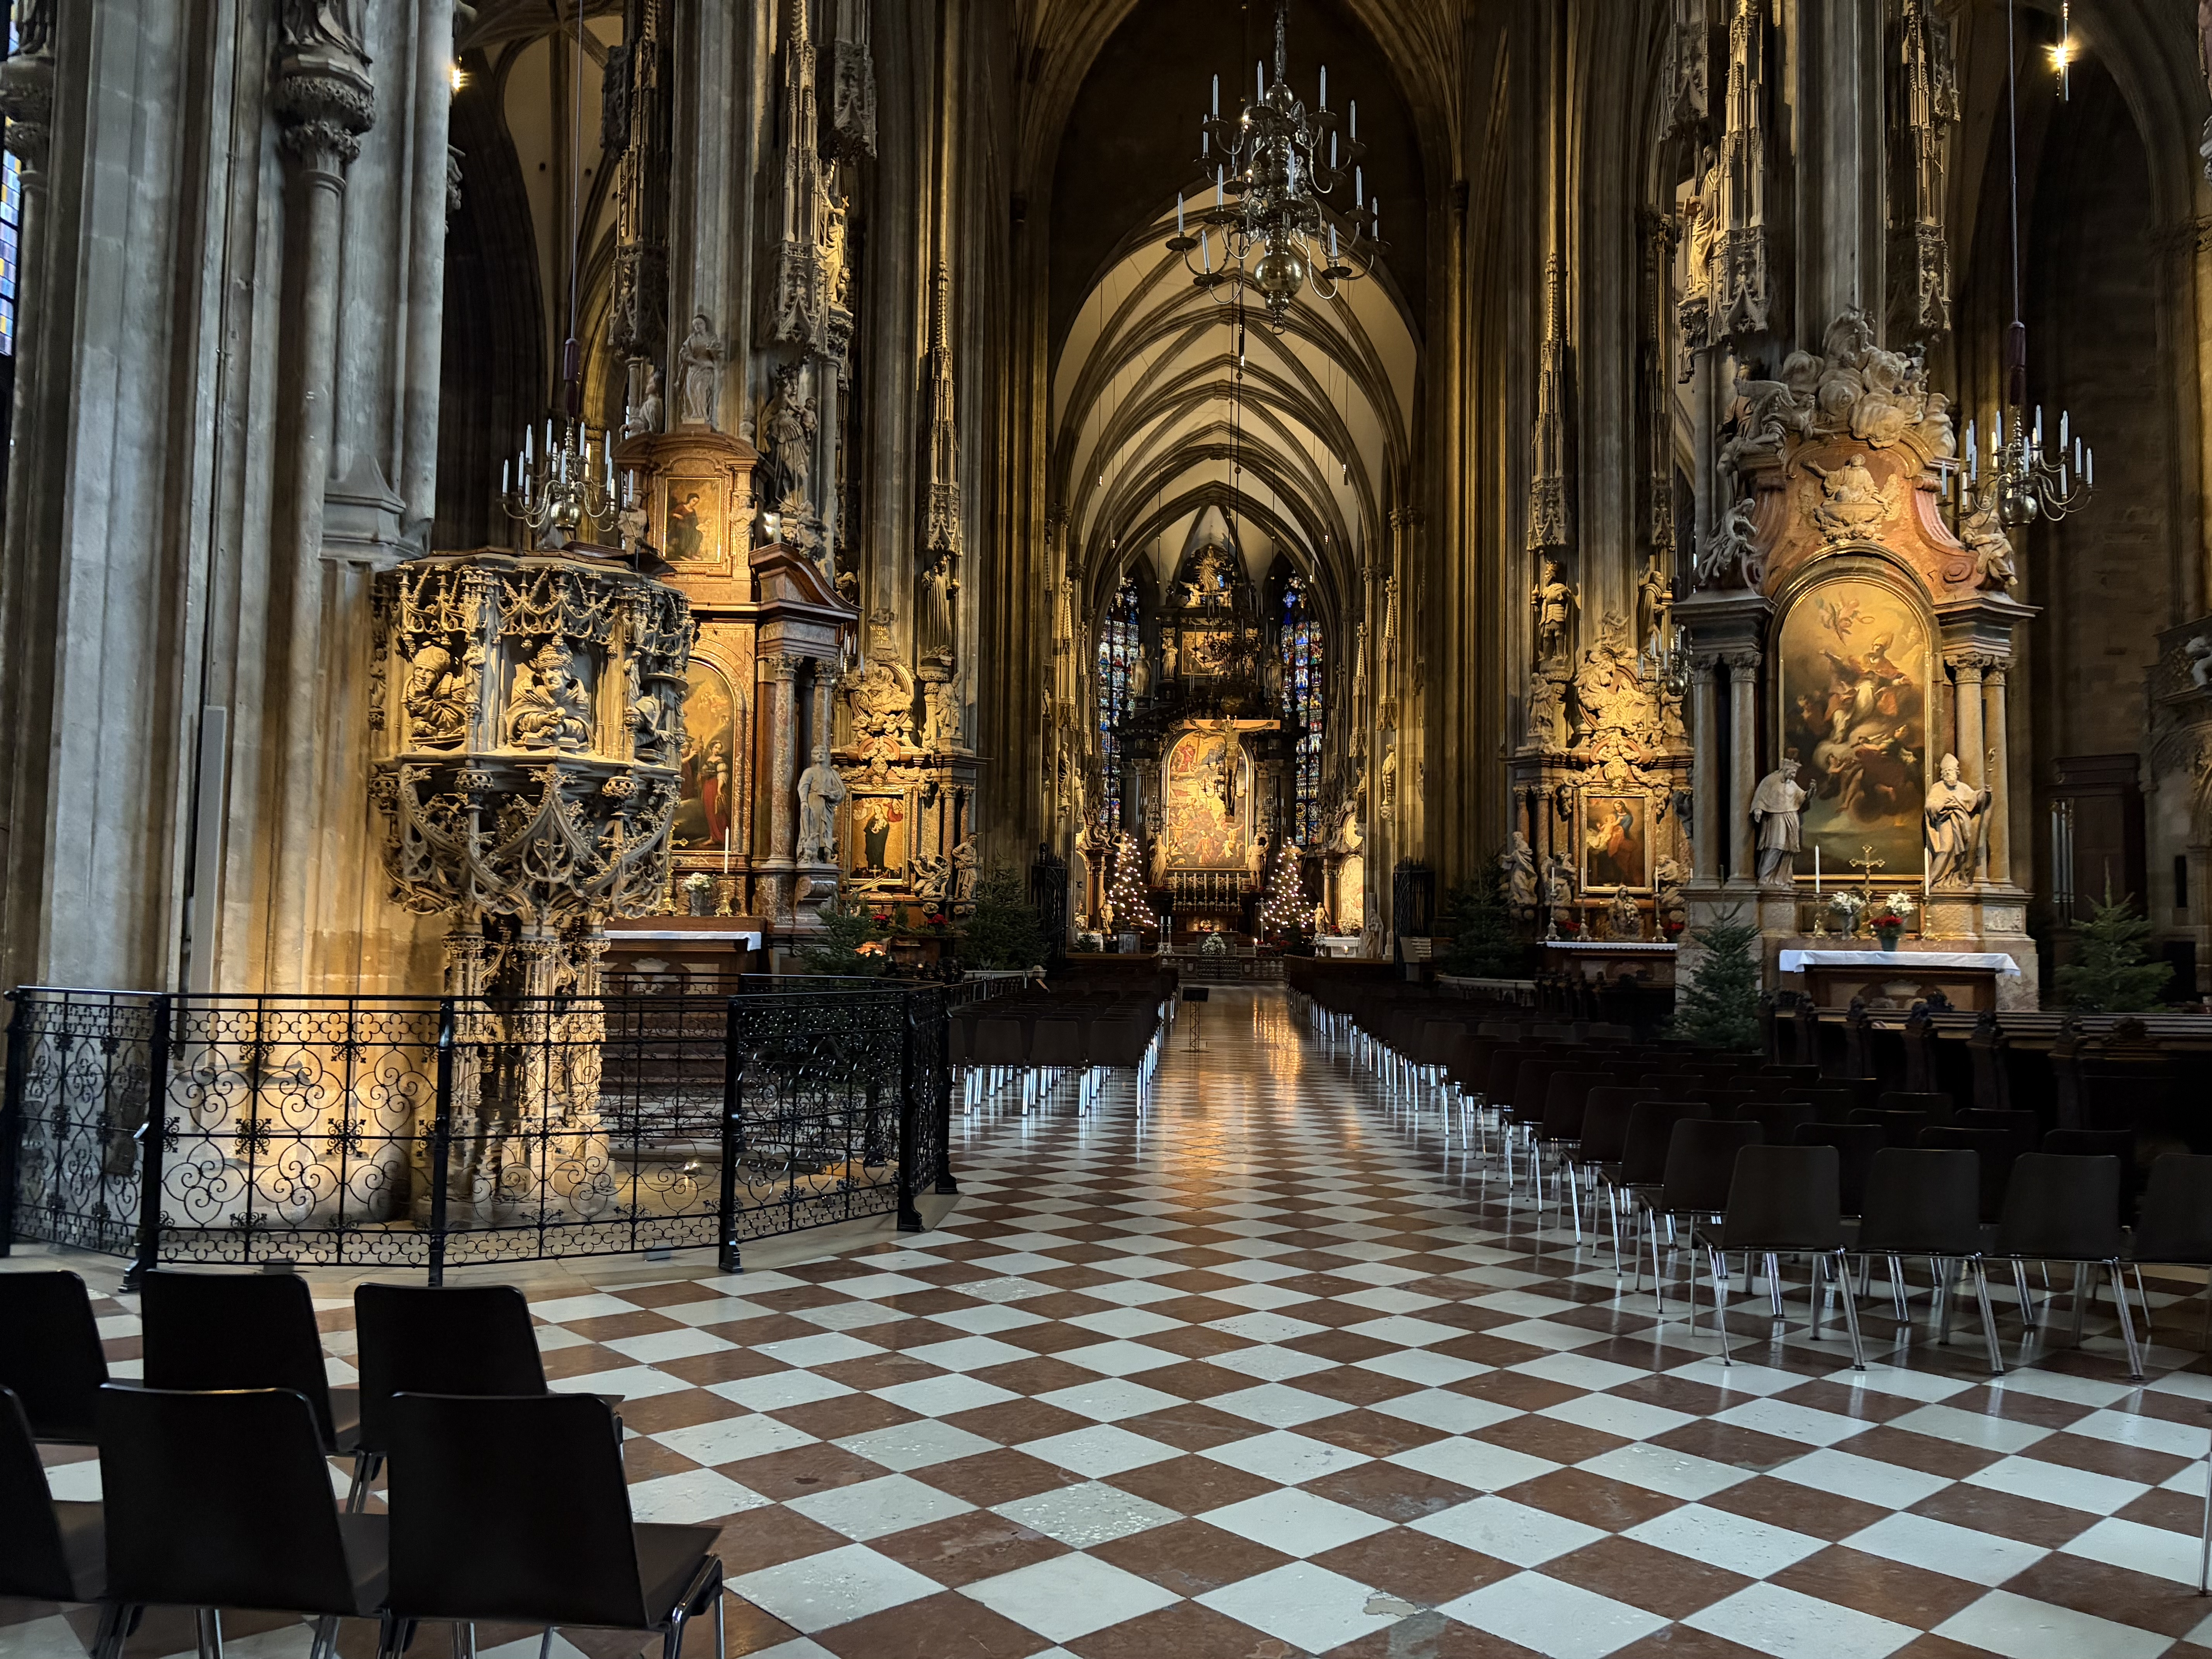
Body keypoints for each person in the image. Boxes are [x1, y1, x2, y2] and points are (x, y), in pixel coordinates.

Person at [1924, 752, 1991, 889]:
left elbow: (1975, 799)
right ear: (1943, 775)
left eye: (1952, 772)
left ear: (1957, 773)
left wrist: (1986, 793)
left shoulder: (1963, 788)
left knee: (1962, 854)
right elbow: (1929, 804)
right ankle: (1932, 879)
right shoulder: (1938, 787)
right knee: (1946, 848)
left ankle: (1956, 876)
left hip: (1962, 824)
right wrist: (1945, 805)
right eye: (1947, 773)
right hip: (1946, 821)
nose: (1950, 775)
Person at [1748, 758, 1809, 884]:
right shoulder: (1770, 781)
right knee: (1776, 846)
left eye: (1795, 774)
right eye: (1792, 773)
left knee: (1789, 849)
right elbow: (1761, 796)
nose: (1793, 776)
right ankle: (1766, 875)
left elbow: (1802, 797)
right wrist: (1758, 810)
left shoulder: (1791, 784)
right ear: (1785, 770)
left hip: (1791, 817)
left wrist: (1812, 791)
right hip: (1776, 817)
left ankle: (1783, 877)